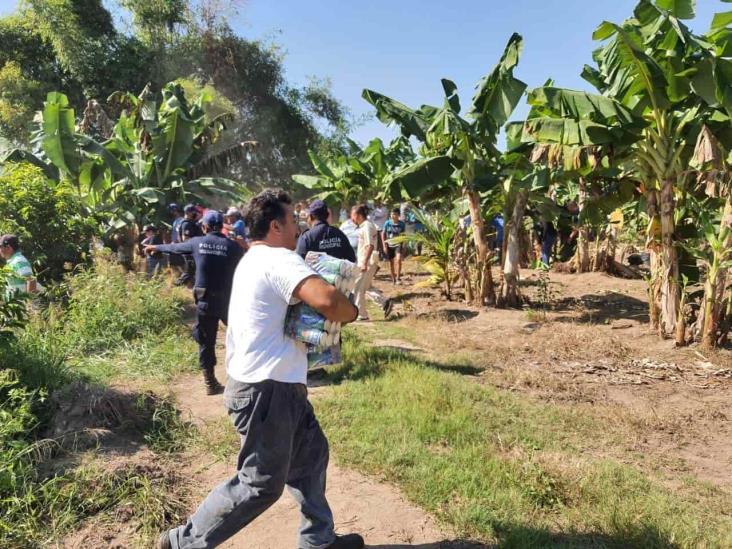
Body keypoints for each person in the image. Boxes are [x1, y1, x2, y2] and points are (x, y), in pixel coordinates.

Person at [158, 190, 363, 549]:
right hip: (267, 392)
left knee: (312, 457)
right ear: (275, 225)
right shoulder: (278, 259)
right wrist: (353, 311)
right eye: (293, 222)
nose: (298, 229)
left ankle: (319, 541)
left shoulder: (253, 258)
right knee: (259, 483)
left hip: (274, 387)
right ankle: (182, 542)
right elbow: (329, 300)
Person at [145, 211, 243, 395]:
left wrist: (155, 247)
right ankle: (245, 377)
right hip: (228, 301)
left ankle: (210, 382)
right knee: (242, 336)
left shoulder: (197, 242)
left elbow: (174, 248)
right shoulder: (233, 247)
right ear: (222, 225)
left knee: (206, 341)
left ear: (204, 227)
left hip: (205, 299)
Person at [351, 204, 379, 321]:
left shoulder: (367, 226)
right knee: (365, 287)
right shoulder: (365, 226)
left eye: (352, 215)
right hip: (367, 261)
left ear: (357, 215)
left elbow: (370, 246)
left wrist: (364, 263)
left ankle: (361, 315)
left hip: (366, 262)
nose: (351, 218)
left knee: (358, 288)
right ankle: (385, 302)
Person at [177, 204, 204, 286]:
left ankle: (189, 286)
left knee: (192, 271)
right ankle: (177, 285)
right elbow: (185, 239)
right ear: (188, 213)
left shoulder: (191, 223)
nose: (196, 213)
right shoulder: (187, 224)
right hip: (190, 251)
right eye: (194, 212)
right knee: (189, 271)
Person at [382, 208, 406, 284]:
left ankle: (398, 277)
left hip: (398, 244)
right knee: (391, 263)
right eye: (392, 214)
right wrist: (384, 245)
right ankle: (393, 279)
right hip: (389, 244)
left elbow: (403, 235)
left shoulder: (402, 224)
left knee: (398, 260)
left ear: (398, 215)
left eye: (395, 214)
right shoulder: (387, 223)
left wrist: (404, 245)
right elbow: (383, 234)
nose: (393, 216)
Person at [167, 203, 186, 274]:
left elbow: (179, 234)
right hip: (177, 246)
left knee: (178, 265)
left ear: (174, 211)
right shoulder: (176, 221)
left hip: (178, 246)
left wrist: (174, 243)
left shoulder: (180, 221)